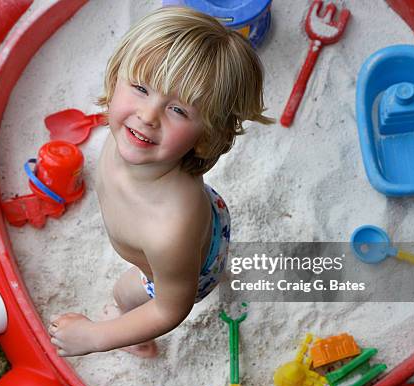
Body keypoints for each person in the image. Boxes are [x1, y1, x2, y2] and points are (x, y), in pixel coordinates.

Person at [48, 6, 272, 357]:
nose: (147, 116)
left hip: (190, 262)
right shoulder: (129, 134)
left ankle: (140, 342)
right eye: (140, 87)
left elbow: (170, 308)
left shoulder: (169, 230)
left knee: (125, 295)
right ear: (116, 76)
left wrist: (96, 337)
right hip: (206, 219)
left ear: (205, 136)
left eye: (179, 110)